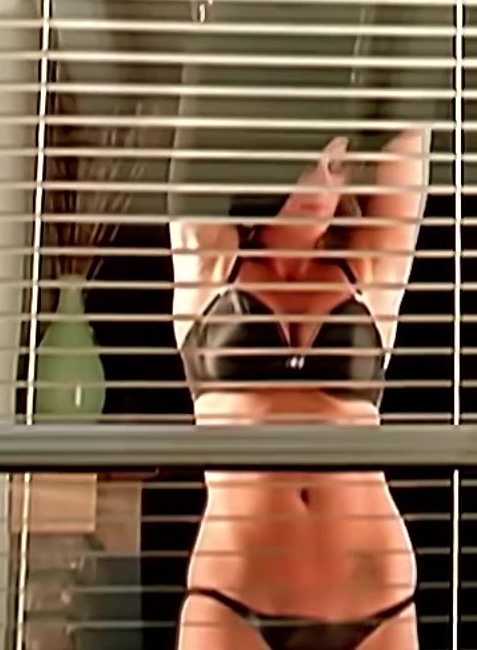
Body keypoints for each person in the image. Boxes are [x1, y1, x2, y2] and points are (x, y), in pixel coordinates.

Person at [170, 130, 429, 650]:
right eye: (307, 164)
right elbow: (196, 137)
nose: (322, 186)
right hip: (236, 597)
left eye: (337, 168)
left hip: (376, 601)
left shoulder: (368, 270)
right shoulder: (213, 266)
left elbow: (411, 128)